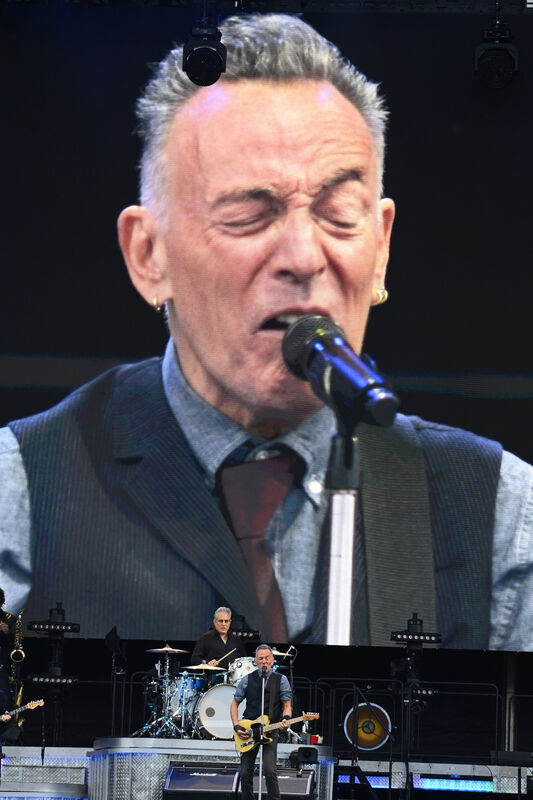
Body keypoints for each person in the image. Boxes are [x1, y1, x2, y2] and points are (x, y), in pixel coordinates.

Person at [1, 13, 533, 648]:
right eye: (251, 216)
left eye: (339, 216)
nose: (304, 257)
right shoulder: (24, 489)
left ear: (382, 250)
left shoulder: (499, 510)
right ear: (148, 255)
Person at [231, 644, 291, 800]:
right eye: (260, 659)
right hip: (248, 730)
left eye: (267, 658)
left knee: (270, 771)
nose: (264, 661)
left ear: (272, 660)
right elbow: (234, 703)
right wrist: (237, 726)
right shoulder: (247, 680)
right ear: (255, 661)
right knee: (245, 773)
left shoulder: (281, 680)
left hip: (270, 730)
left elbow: (287, 705)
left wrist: (286, 719)